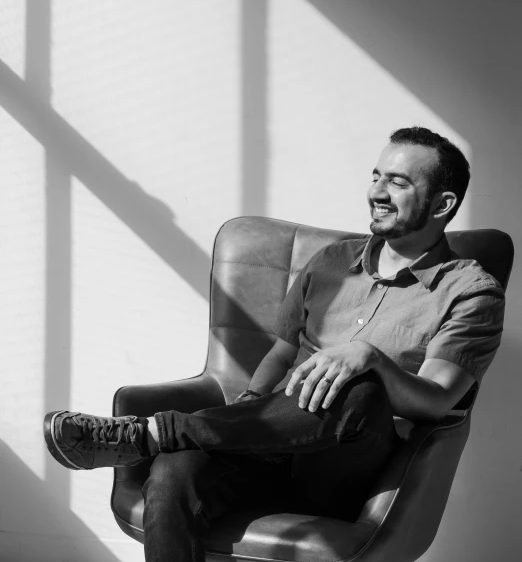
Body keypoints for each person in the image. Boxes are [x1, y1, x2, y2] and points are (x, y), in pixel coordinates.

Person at [43, 126, 505, 562]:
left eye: (398, 182)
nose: (377, 192)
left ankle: (150, 433)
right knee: (174, 470)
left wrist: (372, 360)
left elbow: (439, 400)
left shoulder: (469, 291)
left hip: (347, 471)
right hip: (265, 446)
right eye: (376, 176)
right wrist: (243, 411)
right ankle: (168, 439)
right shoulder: (330, 263)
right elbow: (282, 354)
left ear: (443, 204)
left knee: (357, 384)